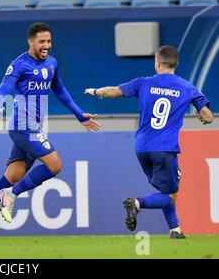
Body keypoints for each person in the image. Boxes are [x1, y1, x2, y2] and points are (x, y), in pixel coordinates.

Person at [0, 22, 100, 241]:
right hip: (22, 125)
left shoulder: (52, 63)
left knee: (13, 176)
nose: (46, 45)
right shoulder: (19, 65)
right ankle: (11, 194)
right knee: (55, 165)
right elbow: (2, 89)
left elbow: (61, 91)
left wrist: (79, 114)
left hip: (33, 126)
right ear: (30, 42)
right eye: (42, 41)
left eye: (49, 41)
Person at [84, 45, 213, 239]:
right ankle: (137, 203)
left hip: (141, 147)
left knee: (166, 188)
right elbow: (208, 116)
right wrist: (201, 114)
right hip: (165, 147)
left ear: (157, 63)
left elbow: (113, 91)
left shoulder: (143, 82)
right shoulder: (187, 87)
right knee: (169, 193)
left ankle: (175, 230)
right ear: (176, 64)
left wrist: (94, 91)